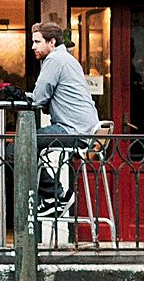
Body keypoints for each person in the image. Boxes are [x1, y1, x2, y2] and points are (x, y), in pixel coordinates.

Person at [28, 22, 100, 212]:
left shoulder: (54, 60)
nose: (32, 46)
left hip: (72, 130)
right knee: (27, 143)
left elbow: (39, 97)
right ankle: (53, 196)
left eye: (37, 41)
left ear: (51, 42)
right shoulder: (66, 58)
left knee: (22, 145)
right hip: (85, 130)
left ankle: (56, 195)